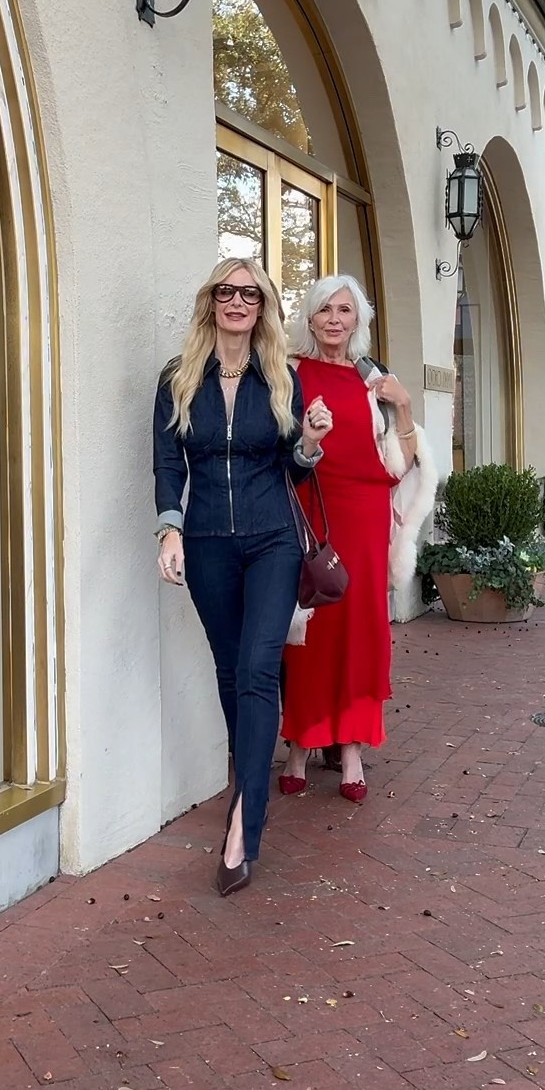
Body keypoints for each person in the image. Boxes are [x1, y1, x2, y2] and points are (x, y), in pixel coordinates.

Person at [154, 257, 333, 895]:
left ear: (262, 307)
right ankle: (249, 783)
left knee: (258, 669)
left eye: (249, 294)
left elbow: (299, 467)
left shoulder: (280, 376)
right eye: (226, 292)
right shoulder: (179, 379)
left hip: (272, 542)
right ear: (211, 302)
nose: (237, 302)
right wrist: (169, 528)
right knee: (231, 672)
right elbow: (167, 465)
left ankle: (242, 825)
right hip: (205, 543)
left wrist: (311, 440)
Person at [278, 274, 437, 800]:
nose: (334, 320)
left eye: (345, 311)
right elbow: (275, 449)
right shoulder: (289, 373)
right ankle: (301, 742)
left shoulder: (376, 381)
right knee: (310, 627)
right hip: (310, 512)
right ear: (310, 317)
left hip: (365, 516)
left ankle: (351, 749)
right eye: (325, 310)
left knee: (361, 628)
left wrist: (406, 405)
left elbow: (404, 464)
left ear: (358, 321)